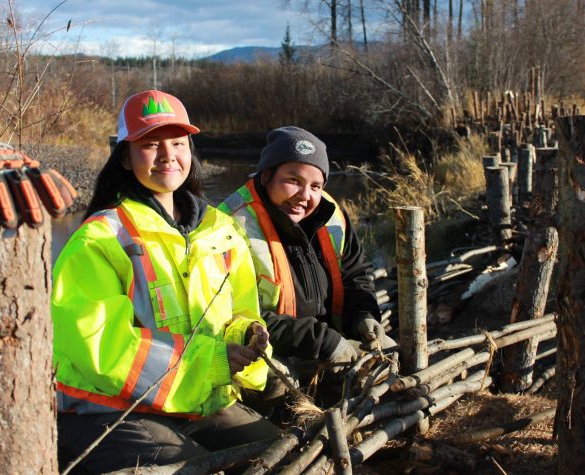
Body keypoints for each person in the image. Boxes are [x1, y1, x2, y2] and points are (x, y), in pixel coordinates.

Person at [52, 90, 279, 473]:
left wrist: (245, 337)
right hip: (108, 407)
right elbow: (100, 349)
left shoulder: (220, 231)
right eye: (150, 144)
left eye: (178, 143)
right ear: (124, 157)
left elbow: (240, 311)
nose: (168, 155)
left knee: (280, 453)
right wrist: (213, 363)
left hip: (193, 398)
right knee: (191, 468)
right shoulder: (100, 239)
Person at [219, 126, 395, 401]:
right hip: (268, 353)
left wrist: (364, 315)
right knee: (278, 386)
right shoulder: (228, 226)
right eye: (293, 180)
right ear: (266, 177)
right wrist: (323, 341)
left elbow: (355, 274)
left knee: (392, 356)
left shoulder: (331, 213)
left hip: (329, 340)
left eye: (315, 186)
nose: (304, 195)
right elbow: (236, 318)